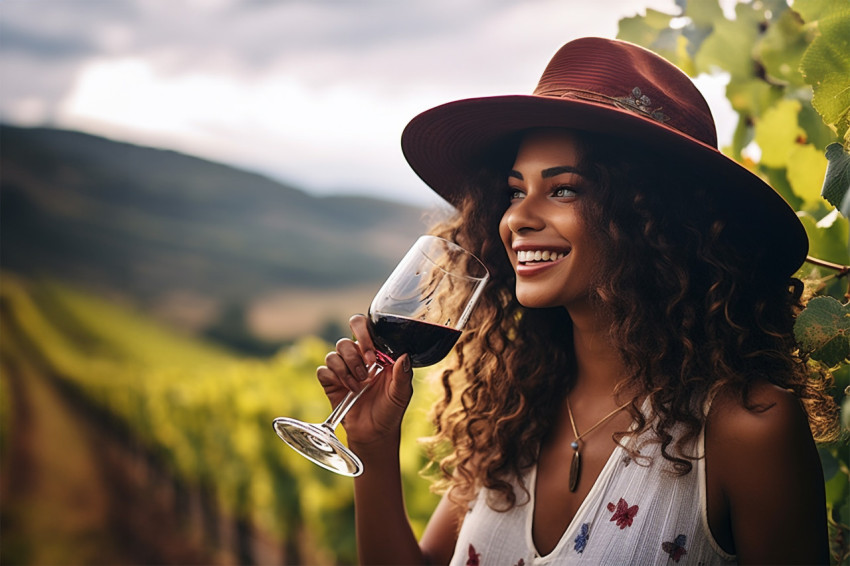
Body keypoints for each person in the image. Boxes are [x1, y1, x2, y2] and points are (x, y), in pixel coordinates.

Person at [316, 37, 839, 564]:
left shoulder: (748, 430)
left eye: (563, 189)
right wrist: (374, 449)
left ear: (652, 217)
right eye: (516, 191)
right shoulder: (512, 412)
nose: (517, 217)